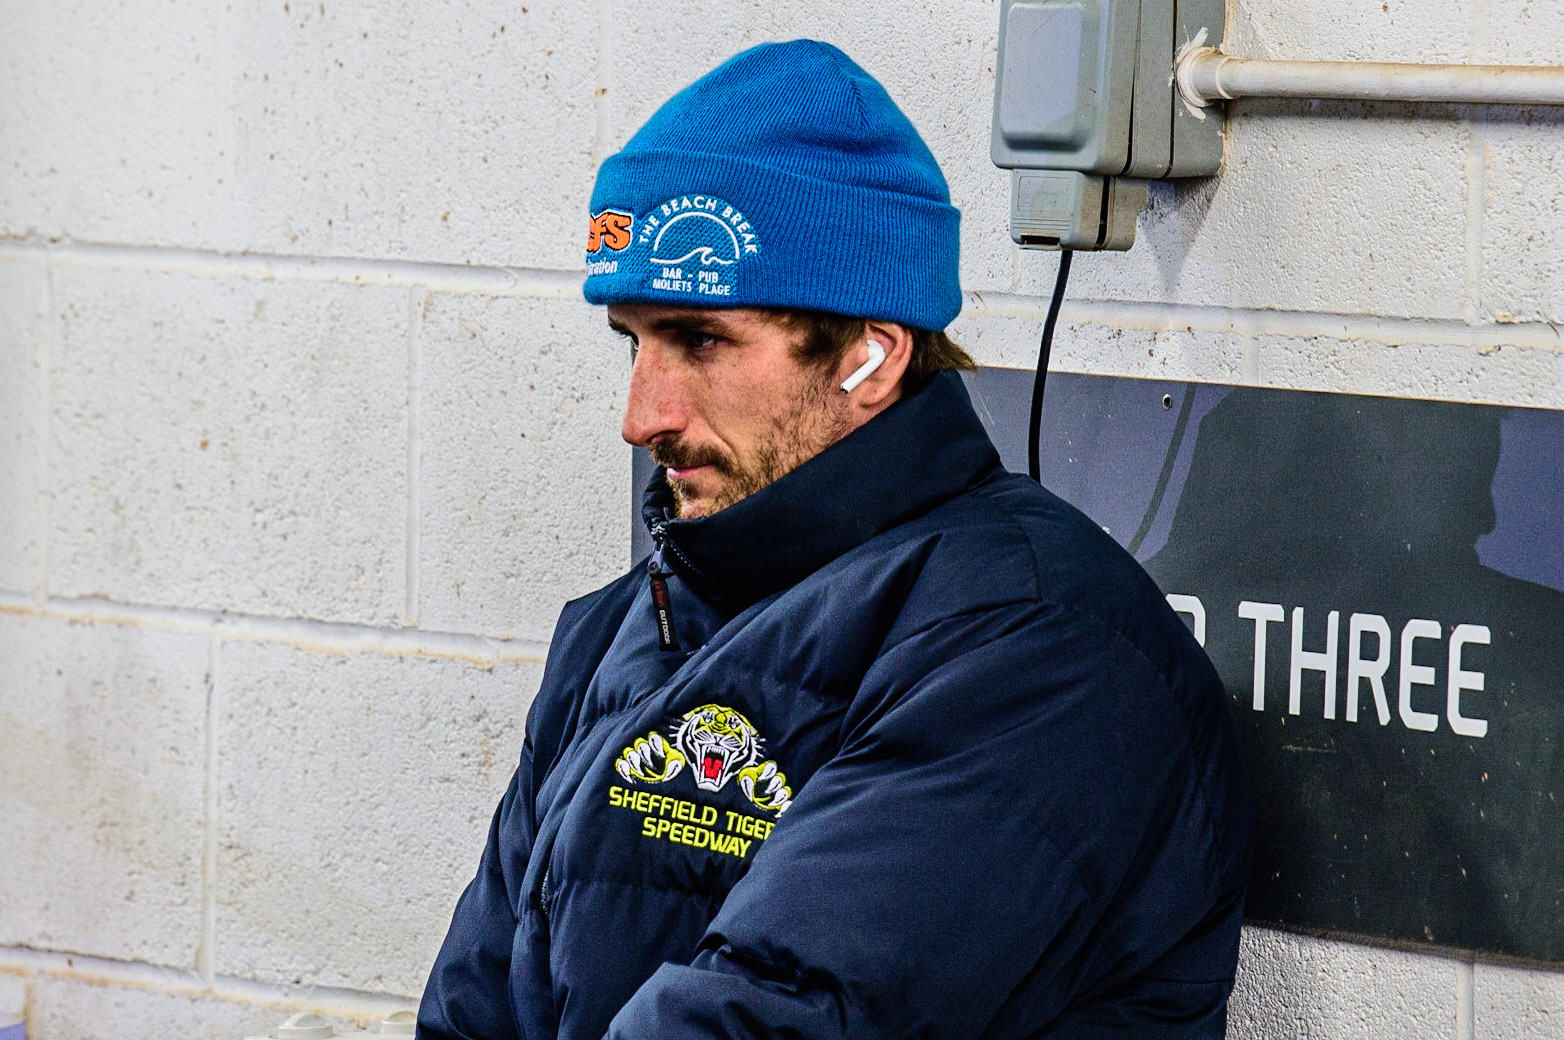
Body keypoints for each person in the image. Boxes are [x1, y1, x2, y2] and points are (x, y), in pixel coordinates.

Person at [418, 39, 1253, 1040]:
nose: (641, 415)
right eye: (633, 342)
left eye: (701, 340)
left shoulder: (1039, 647)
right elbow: (472, 1009)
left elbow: (783, 1016)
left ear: (872, 352)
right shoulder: (624, 629)